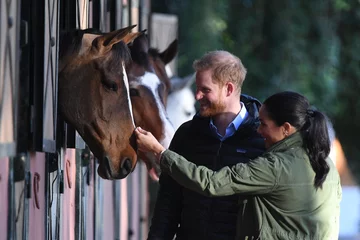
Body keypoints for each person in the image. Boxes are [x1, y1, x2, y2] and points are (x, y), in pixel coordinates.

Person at [135, 91, 342, 240]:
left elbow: (212, 183)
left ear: (286, 129)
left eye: (264, 124)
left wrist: (159, 152)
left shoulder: (277, 166)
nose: (258, 131)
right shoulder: (327, 165)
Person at [144, 50, 266, 240]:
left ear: (229, 89)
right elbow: (168, 202)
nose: (197, 96)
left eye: (205, 90)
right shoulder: (186, 133)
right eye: (198, 88)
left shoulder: (262, 141)